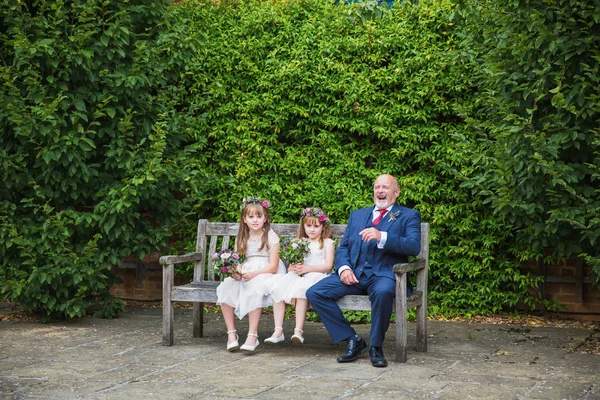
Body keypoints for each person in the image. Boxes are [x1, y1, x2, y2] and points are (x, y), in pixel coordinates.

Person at [306, 174, 421, 367]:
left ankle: (376, 347)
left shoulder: (408, 215)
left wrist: (382, 236)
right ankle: (353, 339)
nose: (380, 191)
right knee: (315, 292)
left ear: (396, 192)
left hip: (385, 275)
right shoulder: (358, 215)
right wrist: (343, 268)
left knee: (383, 292)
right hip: (356, 274)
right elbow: (344, 247)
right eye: (377, 187)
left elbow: (413, 246)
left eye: (385, 187)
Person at [216, 196, 286, 352]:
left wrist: (254, 274)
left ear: (265, 218)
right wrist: (237, 271)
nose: (255, 220)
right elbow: (238, 260)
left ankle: (252, 335)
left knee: (254, 287)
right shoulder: (242, 237)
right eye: (251, 216)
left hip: (266, 271)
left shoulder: (271, 236)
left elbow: (273, 266)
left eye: (259, 216)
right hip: (248, 270)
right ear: (244, 219)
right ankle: (232, 334)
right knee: (226, 287)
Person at [264, 207, 335, 345]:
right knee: (277, 288)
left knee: (302, 290)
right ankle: (278, 331)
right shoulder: (298, 242)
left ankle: (298, 331)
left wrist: (308, 268)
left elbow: (328, 266)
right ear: (303, 226)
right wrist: (294, 268)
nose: (312, 229)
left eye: (316, 226)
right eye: (308, 226)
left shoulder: (327, 243)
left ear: (323, 226)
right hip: (299, 276)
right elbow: (291, 265)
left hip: (318, 276)